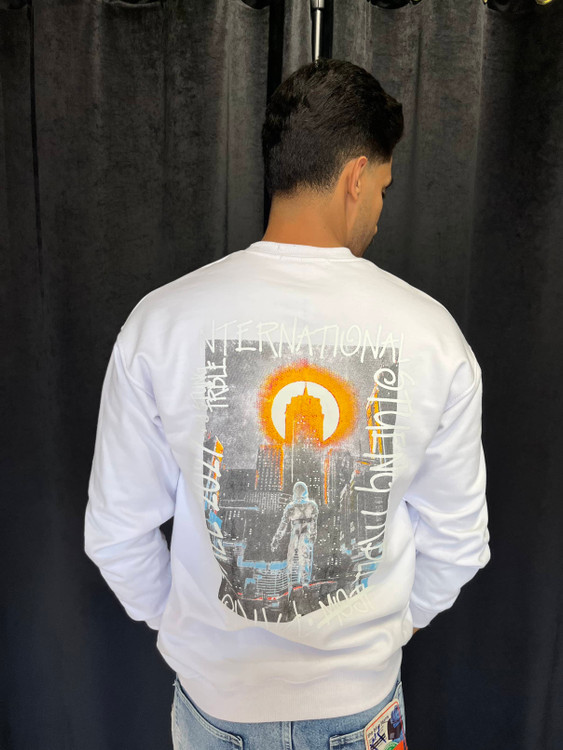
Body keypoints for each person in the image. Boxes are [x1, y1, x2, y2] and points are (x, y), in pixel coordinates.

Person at [84, 58, 490, 750]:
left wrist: (193, 636)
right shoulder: (433, 335)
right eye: (383, 189)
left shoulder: (161, 322)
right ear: (356, 177)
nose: (379, 210)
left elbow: (116, 534)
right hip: (360, 709)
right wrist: (381, 637)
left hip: (214, 707)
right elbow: (457, 543)